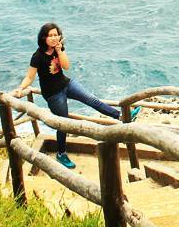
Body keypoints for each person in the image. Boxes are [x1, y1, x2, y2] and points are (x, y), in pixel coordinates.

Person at [12, 22, 138, 168]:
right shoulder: (38, 56)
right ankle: (61, 153)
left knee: (92, 99)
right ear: (43, 37)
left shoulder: (58, 49)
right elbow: (29, 77)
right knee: (63, 123)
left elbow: (66, 66)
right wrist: (21, 88)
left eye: (55, 35)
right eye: (50, 35)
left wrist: (59, 51)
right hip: (53, 94)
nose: (53, 38)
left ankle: (120, 116)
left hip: (66, 84)